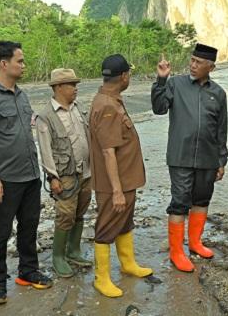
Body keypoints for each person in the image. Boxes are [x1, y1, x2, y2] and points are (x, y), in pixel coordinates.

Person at [0, 41, 52, 305]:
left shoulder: (22, 95)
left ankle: (28, 271)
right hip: (5, 179)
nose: (24, 65)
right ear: (3, 64)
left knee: (29, 227)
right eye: (20, 61)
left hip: (29, 175)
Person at [151, 44, 228, 272]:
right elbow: (158, 108)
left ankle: (195, 243)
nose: (193, 65)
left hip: (208, 158)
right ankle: (177, 251)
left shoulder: (219, 93)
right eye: (192, 60)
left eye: (198, 62)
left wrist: (221, 160)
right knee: (179, 203)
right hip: (180, 156)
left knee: (202, 200)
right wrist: (161, 80)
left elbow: (221, 130)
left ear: (211, 67)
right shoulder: (176, 84)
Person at [89, 54, 152, 298]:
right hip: (115, 183)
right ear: (124, 76)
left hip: (126, 179)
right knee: (106, 227)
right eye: (129, 74)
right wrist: (116, 190)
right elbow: (108, 151)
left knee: (124, 222)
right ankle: (101, 278)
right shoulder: (106, 105)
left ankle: (128, 264)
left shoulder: (112, 100)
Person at [36, 68, 93, 278]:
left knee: (80, 211)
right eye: (72, 85)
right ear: (58, 87)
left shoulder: (79, 108)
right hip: (65, 175)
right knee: (65, 215)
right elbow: (45, 149)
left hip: (85, 171)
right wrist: (53, 178)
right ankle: (58, 257)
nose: (76, 89)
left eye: (75, 85)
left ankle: (74, 251)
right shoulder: (46, 117)